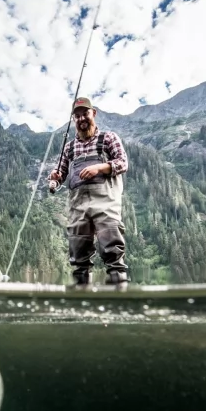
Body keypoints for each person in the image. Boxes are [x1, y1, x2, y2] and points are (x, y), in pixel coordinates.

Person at [48, 97, 130, 288]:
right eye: (77, 116)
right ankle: (83, 303)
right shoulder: (69, 147)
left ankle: (119, 299)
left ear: (93, 114)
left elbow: (122, 163)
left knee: (113, 253)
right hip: (78, 208)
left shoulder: (108, 138)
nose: (81, 118)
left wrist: (100, 167)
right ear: (74, 119)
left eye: (85, 113)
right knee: (79, 257)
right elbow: (60, 175)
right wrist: (55, 177)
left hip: (106, 204)